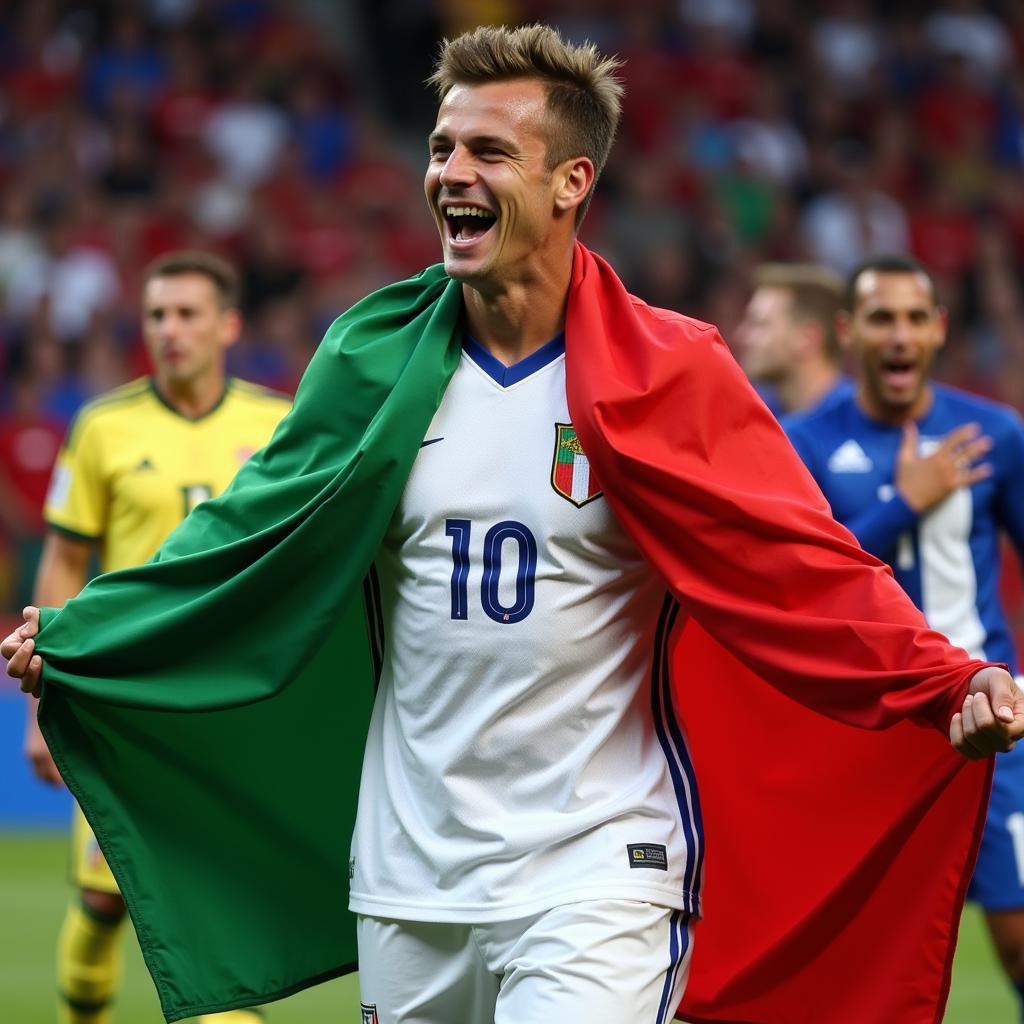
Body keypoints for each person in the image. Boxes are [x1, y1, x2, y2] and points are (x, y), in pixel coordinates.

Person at [3, 25, 1023, 1024]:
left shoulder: (669, 370)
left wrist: (945, 675)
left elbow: (803, 564)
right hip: (408, 877)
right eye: (443, 146)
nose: (451, 171)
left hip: (597, 871)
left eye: (489, 150)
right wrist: (94, 629)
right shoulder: (371, 359)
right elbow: (242, 534)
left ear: (570, 181)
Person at [23, 250, 290, 1024]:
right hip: (126, 699)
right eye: (157, 316)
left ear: (228, 325)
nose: (170, 331)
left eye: (187, 314)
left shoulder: (277, 425)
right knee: (107, 903)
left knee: (221, 906)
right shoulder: (104, 427)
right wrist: (45, 700)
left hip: (235, 696)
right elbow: (65, 561)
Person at [784, 252, 1024, 1019]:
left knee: (1017, 938)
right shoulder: (805, 444)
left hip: (986, 716)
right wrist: (902, 503)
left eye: (916, 318)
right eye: (882, 318)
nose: (900, 334)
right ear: (849, 333)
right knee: (866, 956)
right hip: (867, 735)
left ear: (939, 330)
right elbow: (804, 583)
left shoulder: (993, 435)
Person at [735, 261, 850, 416]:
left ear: (807, 339)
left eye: (760, 324)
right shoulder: (753, 416)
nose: (741, 335)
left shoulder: (869, 422)